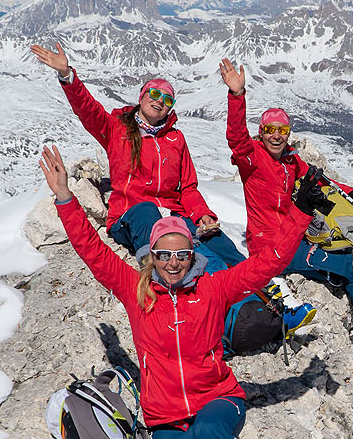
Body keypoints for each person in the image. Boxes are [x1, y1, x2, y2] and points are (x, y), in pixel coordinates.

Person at [39, 143, 311, 439]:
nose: (172, 262)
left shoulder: (213, 288)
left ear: (192, 255)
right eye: (163, 254)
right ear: (151, 256)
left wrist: (297, 215)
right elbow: (93, 252)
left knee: (210, 429)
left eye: (181, 254)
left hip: (218, 399)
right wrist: (65, 199)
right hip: (167, 415)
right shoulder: (137, 291)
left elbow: (267, 264)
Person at [223, 60, 353, 342]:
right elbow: (236, 138)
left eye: (282, 130)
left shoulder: (290, 162)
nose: (277, 136)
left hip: (294, 237)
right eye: (270, 130)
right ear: (261, 133)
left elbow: (317, 178)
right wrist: (237, 96)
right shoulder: (252, 159)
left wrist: (347, 191)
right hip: (270, 246)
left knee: (350, 257)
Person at [31, 40, 246, 269]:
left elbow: (188, 188)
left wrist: (201, 214)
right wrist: (67, 75)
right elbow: (87, 109)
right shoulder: (116, 129)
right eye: (154, 93)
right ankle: (155, 276)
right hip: (131, 218)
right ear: (142, 96)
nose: (159, 101)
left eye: (167, 100)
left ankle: (257, 285)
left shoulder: (176, 139)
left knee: (214, 239)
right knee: (147, 211)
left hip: (172, 216)